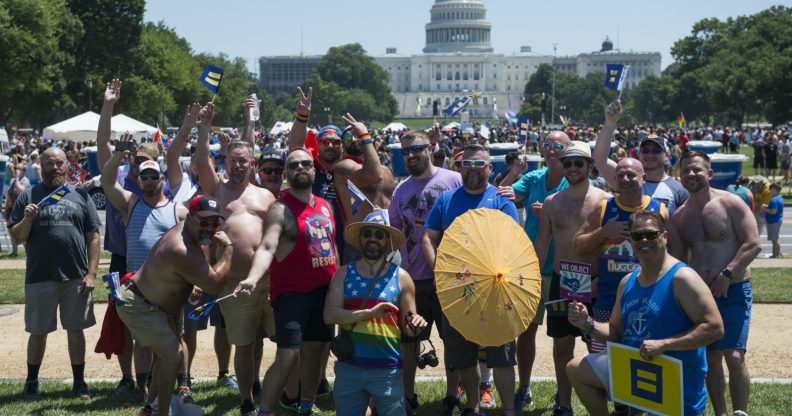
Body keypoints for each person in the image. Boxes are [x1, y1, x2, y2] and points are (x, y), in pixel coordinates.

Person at [566, 210, 724, 416]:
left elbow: (715, 328)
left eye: (651, 234)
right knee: (576, 369)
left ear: (664, 237)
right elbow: (615, 332)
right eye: (637, 236)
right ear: (630, 240)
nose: (644, 240)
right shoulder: (628, 282)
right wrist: (586, 323)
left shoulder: (682, 278)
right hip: (635, 371)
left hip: (674, 383)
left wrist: (665, 344)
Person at [235, 148, 337, 416]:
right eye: (293, 166)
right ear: (286, 174)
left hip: (324, 293)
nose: (301, 168)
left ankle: (306, 405)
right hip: (292, 296)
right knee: (288, 357)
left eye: (306, 164)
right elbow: (267, 247)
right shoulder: (280, 208)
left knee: (315, 352)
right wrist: (253, 278)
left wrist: (339, 282)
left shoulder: (325, 206)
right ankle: (265, 411)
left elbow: (331, 246)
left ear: (314, 170)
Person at [423, 144, 519, 416]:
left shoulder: (501, 200)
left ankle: (509, 410)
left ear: (490, 168)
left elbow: (515, 240)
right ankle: (473, 406)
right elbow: (428, 238)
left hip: (495, 287)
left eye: (479, 165)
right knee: (463, 354)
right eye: (468, 164)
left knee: (501, 354)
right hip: (457, 289)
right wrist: (438, 271)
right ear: (459, 167)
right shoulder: (447, 200)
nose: (473, 169)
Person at [116, 195, 233, 416]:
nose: (210, 227)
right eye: (204, 221)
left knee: (165, 355)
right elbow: (216, 284)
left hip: (158, 305)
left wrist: (192, 279)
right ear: (190, 218)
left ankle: (151, 407)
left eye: (215, 222)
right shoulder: (180, 248)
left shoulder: (186, 231)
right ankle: (162, 411)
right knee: (173, 354)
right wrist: (228, 247)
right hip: (141, 305)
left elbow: (195, 269)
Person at [195, 102, 277, 416]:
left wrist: (249, 119)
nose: (239, 166)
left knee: (283, 341)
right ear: (225, 162)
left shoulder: (265, 195)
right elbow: (202, 159)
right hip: (235, 282)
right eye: (233, 161)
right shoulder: (216, 189)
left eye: (244, 161)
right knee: (243, 345)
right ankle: (246, 400)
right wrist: (205, 125)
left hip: (268, 281)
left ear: (252, 163)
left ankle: (283, 391)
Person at [8, 147, 101, 401]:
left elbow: (93, 236)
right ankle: (31, 382)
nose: (56, 167)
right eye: (50, 163)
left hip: (75, 277)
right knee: (37, 332)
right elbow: (16, 238)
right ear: (42, 166)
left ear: (67, 165)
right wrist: (27, 219)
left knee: (76, 330)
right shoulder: (29, 195)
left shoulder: (81, 196)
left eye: (60, 163)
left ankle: (79, 382)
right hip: (40, 276)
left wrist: (91, 273)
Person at [674, 151, 761, 416]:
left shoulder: (731, 203)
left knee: (733, 356)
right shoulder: (679, 216)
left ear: (709, 174)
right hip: (701, 296)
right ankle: (720, 413)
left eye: (697, 170)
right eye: (686, 170)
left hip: (733, 289)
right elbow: (678, 260)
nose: (691, 174)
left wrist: (727, 274)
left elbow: (753, 244)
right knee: (710, 358)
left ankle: (740, 412)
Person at [324, 210, 427, 416]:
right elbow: (329, 315)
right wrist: (368, 313)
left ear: (387, 241)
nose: (373, 239)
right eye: (367, 233)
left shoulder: (402, 278)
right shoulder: (343, 273)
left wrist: (417, 324)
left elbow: (409, 329)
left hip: (387, 370)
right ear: (360, 239)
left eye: (379, 235)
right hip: (348, 369)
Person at [388, 129, 462, 414]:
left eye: (416, 149)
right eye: (404, 151)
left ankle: (452, 397)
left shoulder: (453, 180)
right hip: (413, 278)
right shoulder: (400, 190)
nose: (410, 155)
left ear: (430, 147)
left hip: (449, 276)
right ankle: (408, 396)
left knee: (453, 341)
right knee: (408, 341)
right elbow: (394, 235)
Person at [533, 141, 611, 416]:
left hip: (596, 281)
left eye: (579, 163)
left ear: (590, 166)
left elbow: (611, 246)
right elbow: (542, 244)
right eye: (568, 163)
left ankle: (601, 403)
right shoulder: (553, 202)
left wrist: (606, 281)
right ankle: (563, 403)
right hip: (562, 281)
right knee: (562, 344)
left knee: (598, 343)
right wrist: (532, 279)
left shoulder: (605, 200)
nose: (573, 168)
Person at [498, 131, 571, 411]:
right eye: (548, 145)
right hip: (531, 266)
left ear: (567, 150)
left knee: (563, 337)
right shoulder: (534, 178)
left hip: (563, 267)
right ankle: (525, 388)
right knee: (525, 331)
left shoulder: (572, 178)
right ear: (543, 150)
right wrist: (512, 174)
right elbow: (504, 195)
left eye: (558, 146)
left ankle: (562, 395)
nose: (552, 150)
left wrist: (553, 213)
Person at [96, 79, 155, 400]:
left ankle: (150, 379)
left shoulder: (155, 186)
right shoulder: (116, 176)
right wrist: (108, 105)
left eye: (145, 160)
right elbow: (103, 141)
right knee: (122, 319)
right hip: (120, 261)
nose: (138, 163)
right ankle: (126, 378)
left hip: (150, 263)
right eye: (136, 157)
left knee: (149, 322)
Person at [594, 101, 689, 214]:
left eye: (656, 151)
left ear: (667, 155)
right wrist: (610, 123)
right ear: (639, 154)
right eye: (645, 150)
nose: (650, 155)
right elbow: (600, 161)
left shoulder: (680, 190)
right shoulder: (627, 180)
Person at [764, 182, 784, 258]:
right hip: (777, 220)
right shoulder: (780, 198)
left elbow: (773, 211)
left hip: (773, 221)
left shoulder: (774, 200)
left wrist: (764, 209)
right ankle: (779, 253)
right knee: (775, 239)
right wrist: (767, 207)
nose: (769, 191)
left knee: (774, 240)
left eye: (771, 189)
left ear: (775, 190)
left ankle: (775, 255)